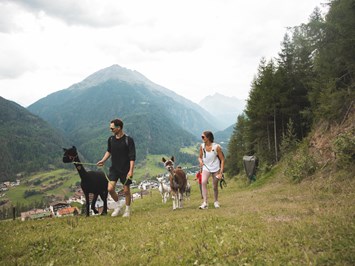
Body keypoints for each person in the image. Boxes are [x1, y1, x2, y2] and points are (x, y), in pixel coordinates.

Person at [97, 118, 136, 217]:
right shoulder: (111, 139)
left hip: (125, 169)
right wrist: (103, 160)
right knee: (110, 189)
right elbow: (109, 151)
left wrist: (131, 171)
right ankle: (118, 206)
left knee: (126, 190)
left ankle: (127, 210)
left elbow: (132, 156)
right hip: (114, 169)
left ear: (119, 128)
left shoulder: (128, 140)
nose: (111, 130)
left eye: (112, 128)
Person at [198, 130, 225, 209]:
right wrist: (200, 162)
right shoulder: (202, 146)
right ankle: (205, 203)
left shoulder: (216, 147)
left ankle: (216, 201)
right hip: (206, 167)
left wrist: (221, 172)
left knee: (215, 186)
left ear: (208, 138)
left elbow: (222, 159)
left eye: (203, 137)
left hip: (215, 168)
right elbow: (199, 157)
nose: (202, 138)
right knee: (203, 182)